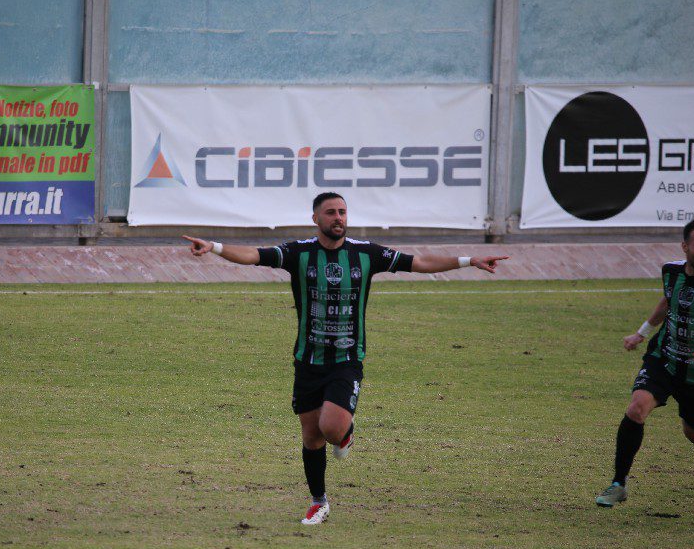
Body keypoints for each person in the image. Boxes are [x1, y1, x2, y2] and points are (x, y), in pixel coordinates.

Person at [184, 192, 508, 525]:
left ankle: (345, 432)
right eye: (330, 213)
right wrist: (216, 247)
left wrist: (468, 260)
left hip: (346, 360)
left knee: (330, 429)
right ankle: (318, 502)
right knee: (311, 438)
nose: (338, 217)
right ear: (316, 219)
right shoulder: (299, 253)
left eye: (342, 212)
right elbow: (254, 255)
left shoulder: (366, 253)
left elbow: (419, 262)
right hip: (307, 360)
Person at [596, 216, 694, 507]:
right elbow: (668, 301)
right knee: (636, 409)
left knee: (693, 430)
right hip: (664, 359)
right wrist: (642, 333)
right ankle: (618, 484)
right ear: (685, 246)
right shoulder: (671, 272)